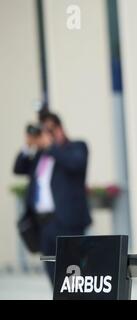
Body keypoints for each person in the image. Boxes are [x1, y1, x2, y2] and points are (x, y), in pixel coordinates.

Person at [13, 112, 90, 285]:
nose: (45, 134)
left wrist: (52, 147)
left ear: (60, 129)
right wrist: (28, 145)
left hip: (68, 223)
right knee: (52, 271)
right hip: (44, 224)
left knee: (73, 271)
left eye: (49, 129)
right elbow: (18, 168)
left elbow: (76, 164)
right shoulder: (40, 155)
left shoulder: (76, 147)